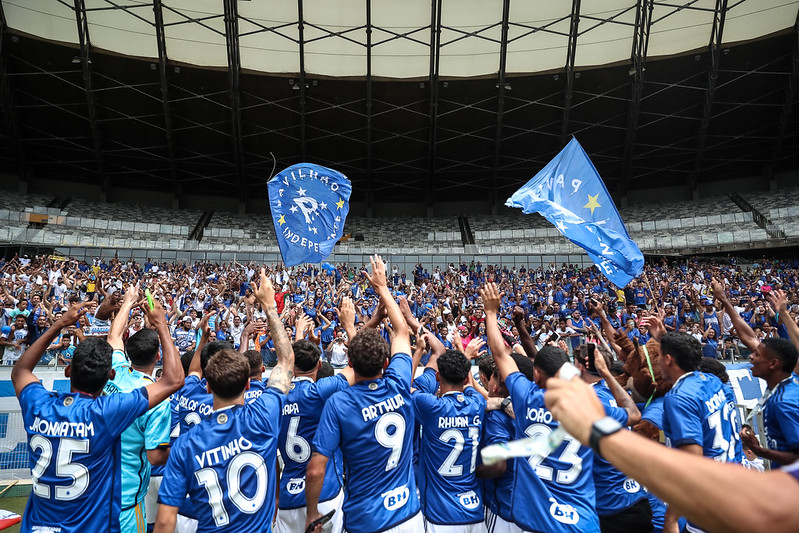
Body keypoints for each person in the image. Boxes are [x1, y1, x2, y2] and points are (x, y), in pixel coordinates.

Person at [544, 368, 799, 533]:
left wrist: (597, 429)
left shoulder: (677, 402)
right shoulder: (710, 388)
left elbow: (770, 506)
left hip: (659, 508)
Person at [13, 299, 183, 533]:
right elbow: (173, 380)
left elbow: (21, 370)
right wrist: (162, 324)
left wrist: (60, 324)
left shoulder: (39, 405)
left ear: (68, 370)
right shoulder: (106, 412)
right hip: (92, 523)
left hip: (38, 527)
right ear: (110, 374)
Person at [154, 271, 294, 532]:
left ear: (207, 385)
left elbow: (163, 522)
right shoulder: (263, 416)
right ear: (249, 384)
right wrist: (270, 306)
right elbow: (286, 360)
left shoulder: (185, 444)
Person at [306, 255, 423, 533]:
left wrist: (312, 513)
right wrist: (382, 287)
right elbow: (402, 332)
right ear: (386, 364)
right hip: (408, 515)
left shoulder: (339, 403)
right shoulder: (398, 383)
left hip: (366, 520)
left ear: (349, 363)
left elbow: (315, 470)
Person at [481, 282, 600, 533]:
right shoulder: (594, 404)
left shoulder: (526, 397)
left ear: (536, 375)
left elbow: (500, 354)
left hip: (536, 518)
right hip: (582, 521)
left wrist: (491, 312)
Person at [640, 315, 742, 533]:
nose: (656, 360)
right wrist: (664, 339)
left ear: (668, 359)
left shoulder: (679, 397)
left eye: (658, 355)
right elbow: (687, 357)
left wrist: (671, 517)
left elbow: (691, 462)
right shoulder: (713, 380)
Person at [104, 284, 173, 533]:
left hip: (98, 490)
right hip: (127, 500)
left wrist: (128, 301)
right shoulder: (155, 397)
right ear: (158, 357)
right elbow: (156, 457)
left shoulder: (114, 373)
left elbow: (113, 337)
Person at [712, 281, 799, 467]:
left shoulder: (785, 403)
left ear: (773, 364)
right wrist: (725, 301)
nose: (751, 357)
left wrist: (759, 450)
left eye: (757, 355)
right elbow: (749, 337)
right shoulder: (785, 382)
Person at [274, 338, 353, 533]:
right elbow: (355, 367)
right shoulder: (319, 391)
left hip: (288, 496)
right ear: (319, 364)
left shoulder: (275, 397)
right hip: (324, 493)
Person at [573, 343, 651, 532]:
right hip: (637, 496)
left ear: (580, 367)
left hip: (611, 503)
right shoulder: (617, 393)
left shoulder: (588, 401)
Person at [413, 349, 486, 532]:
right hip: (474, 512)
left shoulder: (430, 406)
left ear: (437, 376)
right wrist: (465, 356)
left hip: (440, 514)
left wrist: (418, 353)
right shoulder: (477, 404)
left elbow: (401, 385)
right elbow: (472, 388)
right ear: (466, 378)